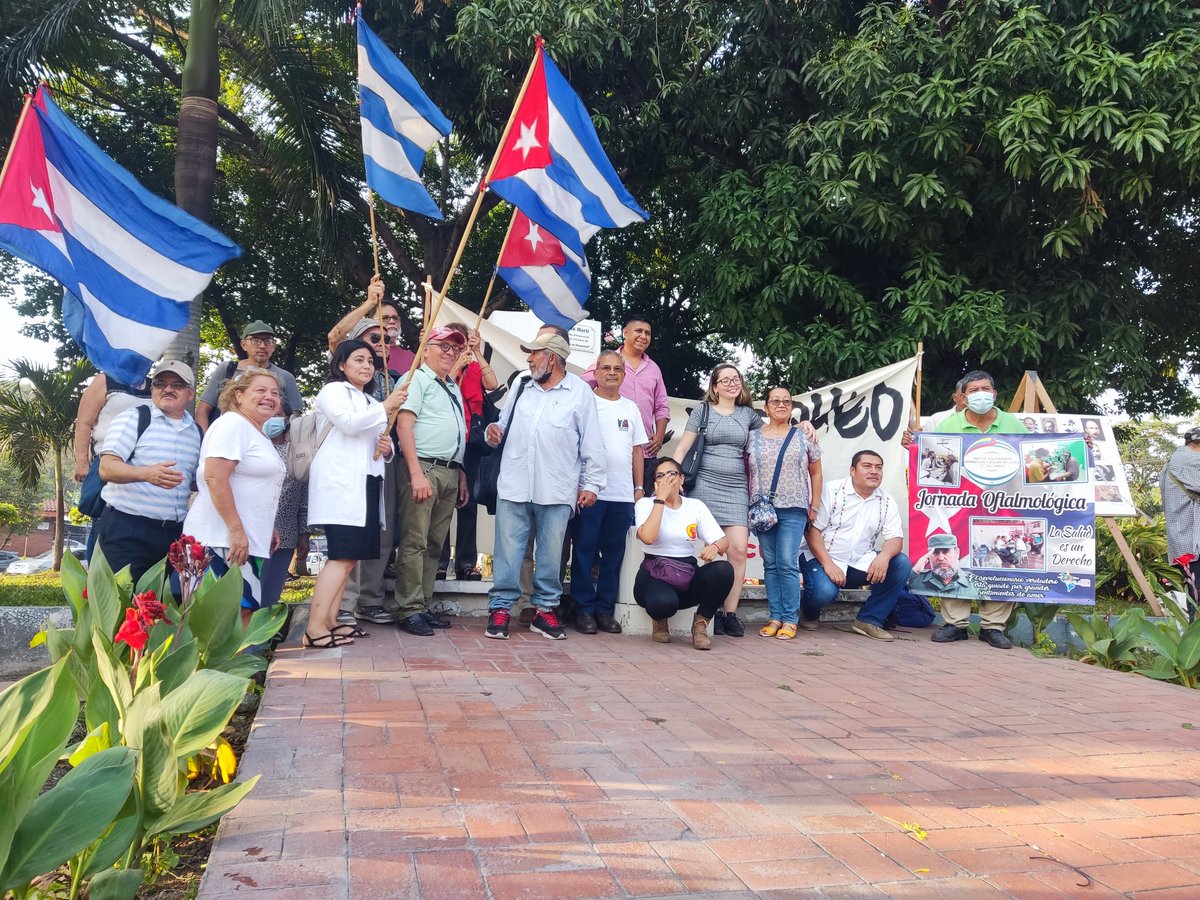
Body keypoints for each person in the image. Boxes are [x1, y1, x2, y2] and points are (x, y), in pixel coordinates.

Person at [483, 330, 605, 641]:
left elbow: (592, 442)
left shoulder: (580, 392)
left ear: (552, 358)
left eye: (535, 353)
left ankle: (545, 610)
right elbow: (502, 422)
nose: (529, 358)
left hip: (557, 486)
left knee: (551, 554)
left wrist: (592, 484)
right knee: (508, 550)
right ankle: (500, 609)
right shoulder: (523, 383)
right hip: (514, 482)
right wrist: (493, 431)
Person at [305, 340, 409, 647]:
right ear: (341, 365)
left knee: (349, 560)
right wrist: (386, 406)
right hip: (341, 486)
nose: (366, 366)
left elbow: (374, 443)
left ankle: (332, 621)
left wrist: (386, 449)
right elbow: (349, 425)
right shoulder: (334, 391)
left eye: (370, 362)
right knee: (340, 557)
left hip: (365, 484)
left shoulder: (366, 399)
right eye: (359, 359)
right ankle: (315, 627)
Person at [930, 370, 1027, 648]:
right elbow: (932, 463)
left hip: (1003, 505)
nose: (980, 394)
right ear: (963, 397)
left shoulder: (1013, 424)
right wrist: (912, 446)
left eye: (986, 389)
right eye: (974, 391)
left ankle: (993, 626)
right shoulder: (949, 426)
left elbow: (1033, 455)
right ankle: (955, 624)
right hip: (960, 507)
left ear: (995, 395)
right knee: (954, 556)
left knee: (1001, 563)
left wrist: (1083, 445)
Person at [183, 369, 287, 624]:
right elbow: (215, 477)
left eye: (274, 393)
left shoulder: (256, 432)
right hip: (221, 539)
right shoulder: (233, 424)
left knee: (242, 610)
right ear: (238, 395)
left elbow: (251, 485)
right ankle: (225, 666)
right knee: (229, 615)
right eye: (260, 390)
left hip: (242, 539)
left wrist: (266, 527)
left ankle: (232, 665)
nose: (269, 397)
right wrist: (236, 530)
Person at [671, 363, 760, 637]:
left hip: (736, 488)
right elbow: (684, 446)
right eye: (725, 380)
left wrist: (802, 424)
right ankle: (708, 611)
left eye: (736, 379)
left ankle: (729, 614)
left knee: (737, 550)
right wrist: (669, 478)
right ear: (715, 386)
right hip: (705, 486)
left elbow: (773, 437)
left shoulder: (749, 415)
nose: (732, 384)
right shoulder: (703, 410)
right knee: (711, 551)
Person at [93, 361, 201, 583]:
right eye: (160, 383)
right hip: (128, 528)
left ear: (190, 394)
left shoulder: (197, 432)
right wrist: (146, 474)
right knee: (124, 609)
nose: (168, 389)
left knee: (161, 610)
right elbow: (106, 468)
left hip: (172, 535)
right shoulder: (134, 418)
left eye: (177, 384)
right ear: (152, 389)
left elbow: (194, 481)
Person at [393, 325, 470, 636]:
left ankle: (422, 604)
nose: (450, 352)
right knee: (414, 541)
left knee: (435, 544)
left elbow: (456, 431)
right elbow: (403, 428)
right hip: (423, 467)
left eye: (455, 348)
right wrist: (415, 474)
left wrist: (460, 472)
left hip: (450, 471)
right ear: (425, 349)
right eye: (444, 346)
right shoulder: (415, 379)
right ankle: (408, 608)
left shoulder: (451, 384)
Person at [572, 350, 648, 635]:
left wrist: (639, 488)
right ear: (596, 373)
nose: (612, 372)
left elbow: (637, 450)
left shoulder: (630, 407)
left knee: (614, 555)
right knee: (584, 551)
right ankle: (583, 609)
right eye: (606, 368)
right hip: (590, 492)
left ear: (624, 374)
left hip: (622, 495)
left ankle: (604, 610)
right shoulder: (585, 404)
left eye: (617, 368)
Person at [337, 315, 405, 627]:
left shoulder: (392, 377)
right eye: (372, 339)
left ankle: (371, 599)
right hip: (350, 466)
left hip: (383, 461)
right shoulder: (339, 388)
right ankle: (344, 603)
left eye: (386, 340)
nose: (380, 346)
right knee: (353, 530)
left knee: (383, 528)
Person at [800, 450, 911, 641]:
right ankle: (809, 612)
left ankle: (869, 620)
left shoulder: (886, 500)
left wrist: (883, 557)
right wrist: (828, 564)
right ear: (852, 470)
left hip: (859, 562)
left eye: (878, 468)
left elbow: (895, 539)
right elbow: (812, 530)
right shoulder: (831, 490)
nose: (874, 472)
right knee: (823, 592)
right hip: (821, 559)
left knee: (901, 563)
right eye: (867, 466)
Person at [634, 457, 734, 649]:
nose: (667, 480)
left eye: (672, 474)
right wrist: (660, 500)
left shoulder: (695, 506)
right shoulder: (645, 504)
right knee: (664, 603)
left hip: (686, 573)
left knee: (724, 570)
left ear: (681, 479)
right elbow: (648, 537)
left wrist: (714, 547)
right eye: (660, 476)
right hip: (654, 574)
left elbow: (723, 540)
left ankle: (700, 625)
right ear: (655, 482)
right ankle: (659, 621)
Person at [750, 386, 823, 640]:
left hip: (794, 508)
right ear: (766, 407)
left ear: (791, 406)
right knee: (770, 563)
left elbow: (816, 472)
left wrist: (814, 505)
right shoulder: (753, 436)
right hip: (762, 509)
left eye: (786, 401)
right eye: (775, 401)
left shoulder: (804, 435)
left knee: (786, 562)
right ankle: (775, 616)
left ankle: (790, 618)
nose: (781, 405)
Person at [437, 324, 500, 580]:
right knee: (441, 504)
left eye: (460, 344)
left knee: (469, 504)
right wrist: (456, 365)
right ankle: (439, 562)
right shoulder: (438, 371)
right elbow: (444, 387)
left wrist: (476, 351)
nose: (455, 350)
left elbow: (493, 383)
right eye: (449, 345)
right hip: (445, 440)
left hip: (470, 442)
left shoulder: (473, 365)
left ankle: (465, 562)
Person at [73, 373, 153, 559]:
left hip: (144, 468)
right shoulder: (105, 380)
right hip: (108, 461)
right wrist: (82, 462)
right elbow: (84, 423)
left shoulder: (155, 384)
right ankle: (96, 580)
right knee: (102, 519)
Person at [582, 316, 670, 457]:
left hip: (645, 451)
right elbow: (581, 389)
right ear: (625, 332)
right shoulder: (608, 361)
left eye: (647, 333)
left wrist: (659, 436)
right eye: (639, 331)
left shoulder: (654, 369)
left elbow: (662, 406)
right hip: (611, 448)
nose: (643, 336)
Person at [196, 321, 302, 430]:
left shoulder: (285, 377)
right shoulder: (227, 370)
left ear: (273, 346)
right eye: (255, 340)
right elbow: (202, 410)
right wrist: (204, 441)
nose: (262, 346)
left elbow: (295, 418)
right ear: (243, 344)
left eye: (268, 341)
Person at [259, 416, 309, 610]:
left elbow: (304, 496)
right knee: (251, 593)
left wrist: (305, 533)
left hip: (287, 534)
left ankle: (261, 638)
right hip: (255, 533)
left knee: (271, 594)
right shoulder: (256, 448)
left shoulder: (298, 456)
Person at [328, 276, 416, 374]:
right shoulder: (349, 353)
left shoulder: (388, 379)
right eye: (375, 338)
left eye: (395, 318)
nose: (392, 321)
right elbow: (334, 337)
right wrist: (370, 303)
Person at [1161, 426, 1200, 617]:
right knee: (1197, 600)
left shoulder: (1173, 459)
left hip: (1183, 540)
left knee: (1195, 595)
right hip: (1194, 542)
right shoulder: (1191, 459)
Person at [909, 534, 990, 603]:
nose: (940, 558)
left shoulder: (975, 584)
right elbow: (898, 591)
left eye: (946, 552)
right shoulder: (915, 580)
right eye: (935, 552)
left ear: (957, 553)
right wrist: (914, 571)